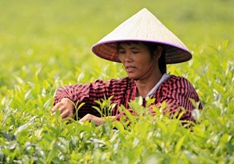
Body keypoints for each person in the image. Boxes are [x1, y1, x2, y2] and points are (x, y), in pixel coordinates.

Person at [52, 8, 202, 126]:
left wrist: (107, 122)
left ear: (156, 53)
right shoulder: (121, 88)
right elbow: (69, 91)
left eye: (135, 52)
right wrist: (67, 101)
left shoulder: (179, 86)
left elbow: (169, 115)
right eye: (122, 52)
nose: (127, 59)